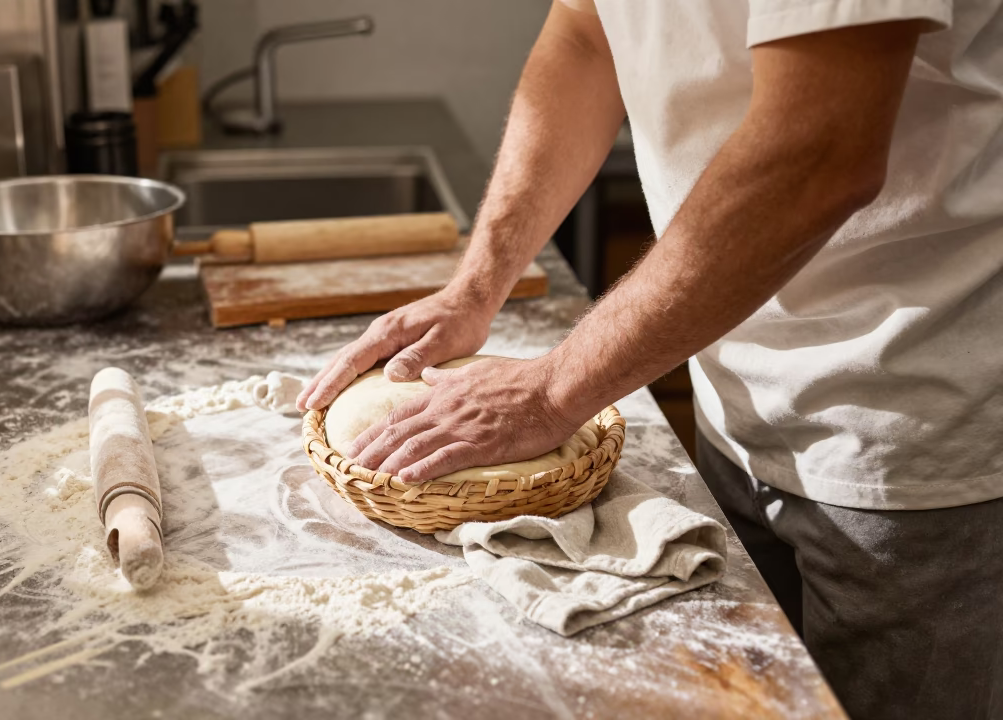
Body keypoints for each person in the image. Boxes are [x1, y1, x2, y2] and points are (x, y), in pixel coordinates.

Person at [295, 1, 1003, 717]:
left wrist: (548, 395)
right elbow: (586, 34)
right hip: (733, 395)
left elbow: (822, 147)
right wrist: (476, 288)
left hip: (912, 431)